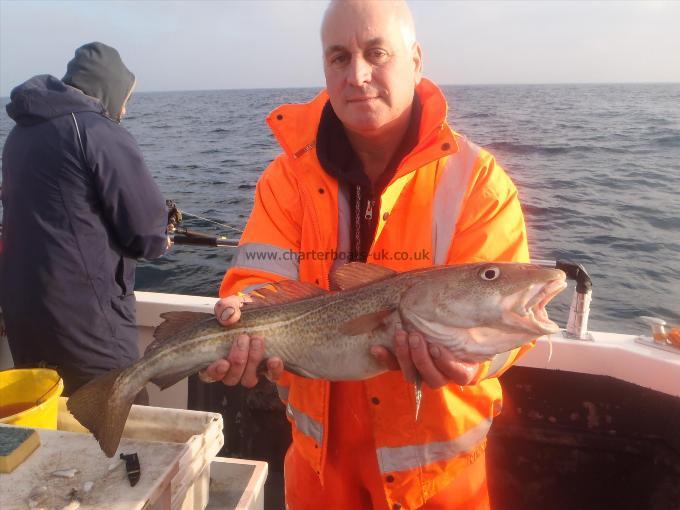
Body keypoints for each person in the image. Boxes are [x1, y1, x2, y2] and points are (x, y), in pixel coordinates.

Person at [202, 1, 530, 508]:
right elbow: (256, 279)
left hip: (439, 481)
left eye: (377, 53)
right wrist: (241, 306)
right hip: (317, 466)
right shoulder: (285, 178)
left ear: (416, 59)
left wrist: (477, 362)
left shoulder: (478, 181)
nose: (357, 75)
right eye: (339, 57)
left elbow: (502, 321)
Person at [0, 42, 170, 396]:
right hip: (87, 324)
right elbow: (146, 233)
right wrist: (162, 236)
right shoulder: (97, 131)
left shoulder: (19, 134)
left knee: (48, 424)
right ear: (108, 88)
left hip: (25, 319)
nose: (124, 107)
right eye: (125, 96)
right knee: (121, 417)